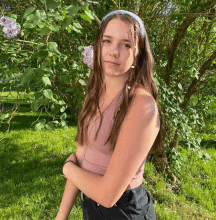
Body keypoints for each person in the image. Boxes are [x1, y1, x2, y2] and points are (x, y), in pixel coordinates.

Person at [56, 9, 162, 220]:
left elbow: (107, 195)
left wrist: (67, 169)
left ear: (137, 54)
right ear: (98, 45)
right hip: (91, 208)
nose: (114, 51)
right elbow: (80, 159)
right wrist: (60, 217)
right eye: (107, 41)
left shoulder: (142, 106)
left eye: (126, 45)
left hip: (124, 212)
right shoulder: (93, 96)